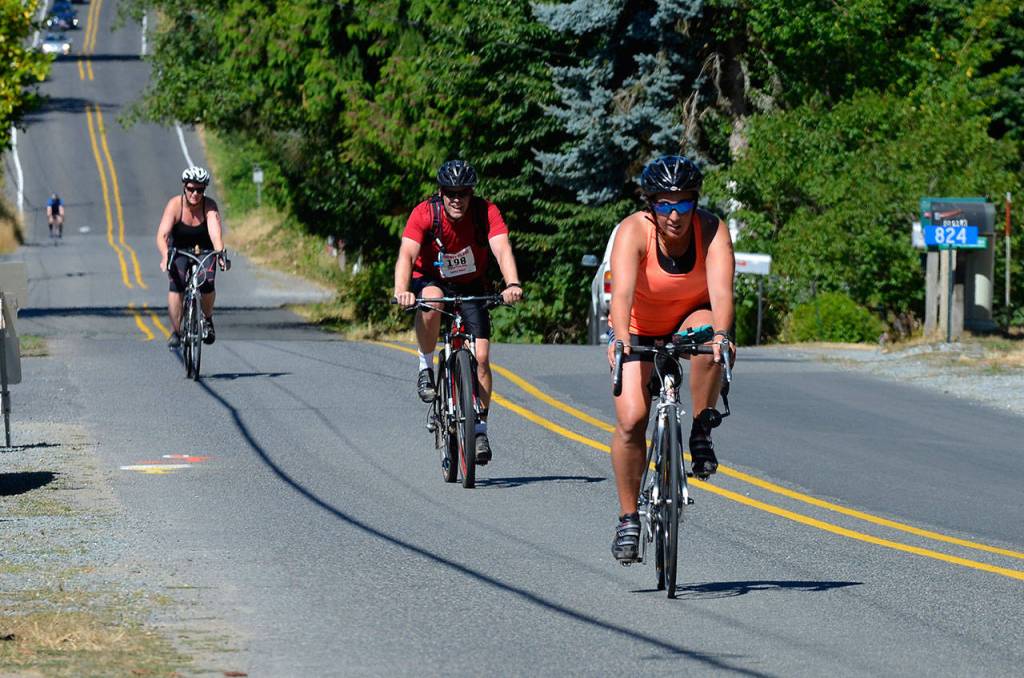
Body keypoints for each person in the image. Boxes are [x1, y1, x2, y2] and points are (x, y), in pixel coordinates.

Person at [607, 155, 736, 563]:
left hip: (688, 317)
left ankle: (701, 427)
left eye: (684, 203)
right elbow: (622, 296)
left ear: (695, 203)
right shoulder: (633, 231)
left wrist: (722, 336)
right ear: (651, 206)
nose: (675, 214)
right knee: (631, 420)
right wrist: (622, 340)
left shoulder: (712, 231)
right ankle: (629, 518)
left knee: (710, 339)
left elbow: (722, 296)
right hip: (638, 325)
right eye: (665, 204)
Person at [393, 160, 524, 465]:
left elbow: (502, 248)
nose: (456, 199)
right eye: (450, 192)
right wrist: (402, 289)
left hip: (471, 283)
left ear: (471, 193)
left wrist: (512, 283)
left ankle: (479, 430)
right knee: (433, 300)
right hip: (432, 280)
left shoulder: (485, 212)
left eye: (463, 193)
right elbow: (406, 254)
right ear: (440, 192)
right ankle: (425, 367)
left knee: (480, 358)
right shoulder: (425, 213)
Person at [156, 167, 227, 349]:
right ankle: (176, 331)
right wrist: (165, 256)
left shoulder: (209, 206)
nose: (195, 193)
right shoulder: (175, 205)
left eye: (200, 190)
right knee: (177, 285)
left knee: (207, 282)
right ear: (184, 187)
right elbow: (162, 235)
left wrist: (220, 254)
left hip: (204, 249)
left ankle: (207, 319)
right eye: (191, 189)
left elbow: (215, 233)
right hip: (179, 249)